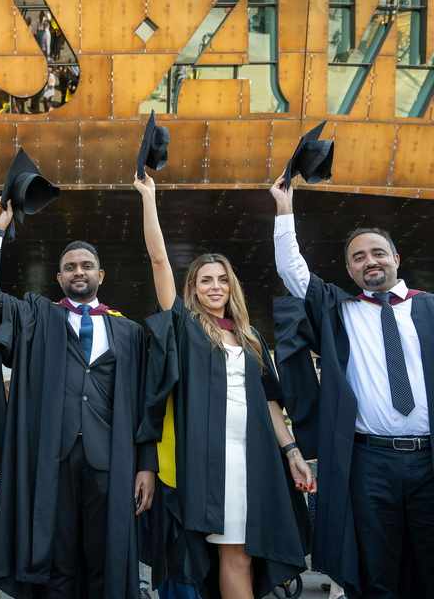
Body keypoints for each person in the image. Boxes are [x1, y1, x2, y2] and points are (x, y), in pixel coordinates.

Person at [134, 173, 314, 599]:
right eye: (205, 281)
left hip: (258, 458)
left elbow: (270, 402)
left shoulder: (250, 337)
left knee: (248, 553)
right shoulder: (186, 329)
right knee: (234, 553)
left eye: (221, 280)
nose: (215, 287)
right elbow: (159, 260)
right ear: (192, 289)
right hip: (214, 462)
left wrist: (291, 452)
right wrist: (149, 198)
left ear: (232, 285)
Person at [0, 197, 157, 599]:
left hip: (109, 456)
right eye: (71, 267)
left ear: (101, 275)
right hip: (52, 457)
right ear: (58, 277)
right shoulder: (38, 316)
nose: (79, 272)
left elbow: (144, 406)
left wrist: (146, 465)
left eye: (86, 266)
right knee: (55, 558)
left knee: (103, 556)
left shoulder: (128, 333)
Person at [269, 174, 434, 598]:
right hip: (370, 462)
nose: (370, 261)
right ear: (349, 269)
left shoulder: (430, 307)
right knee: (375, 568)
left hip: (429, 459)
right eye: (359, 257)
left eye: (378, 252)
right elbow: (294, 273)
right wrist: (284, 210)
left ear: (396, 256)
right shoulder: (340, 312)